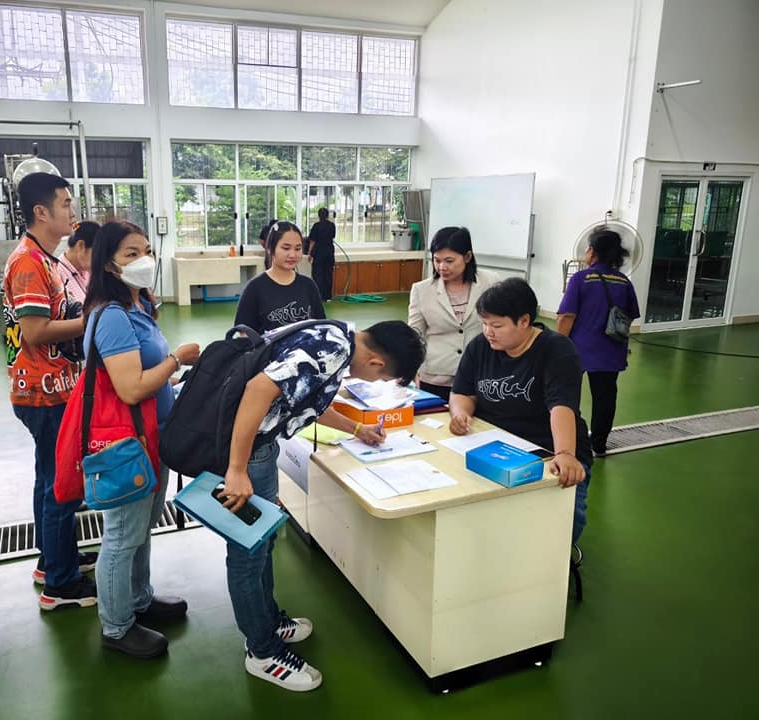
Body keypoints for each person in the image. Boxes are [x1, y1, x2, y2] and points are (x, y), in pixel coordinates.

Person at [218, 320, 426, 691]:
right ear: (376, 362)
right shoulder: (330, 350)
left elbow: (305, 398)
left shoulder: (336, 336)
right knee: (248, 555)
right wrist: (236, 468)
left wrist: (357, 429)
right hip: (248, 453)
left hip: (257, 450)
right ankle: (262, 652)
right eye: (381, 379)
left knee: (262, 543)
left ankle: (267, 622)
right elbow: (257, 390)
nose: (374, 382)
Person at [82, 221, 201, 657]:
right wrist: (176, 360)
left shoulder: (139, 305)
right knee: (122, 535)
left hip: (152, 436)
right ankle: (116, 627)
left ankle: (138, 599)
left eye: (146, 250)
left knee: (141, 528)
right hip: (126, 443)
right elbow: (131, 388)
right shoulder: (112, 316)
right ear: (108, 264)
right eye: (131, 254)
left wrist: (175, 378)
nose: (144, 260)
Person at [2, 172, 96, 608]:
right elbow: (36, 331)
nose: (72, 211)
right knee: (62, 486)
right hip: (43, 393)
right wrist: (90, 320)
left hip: (54, 386)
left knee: (48, 479)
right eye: (65, 203)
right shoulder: (28, 263)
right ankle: (61, 584)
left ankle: (53, 559)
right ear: (41, 212)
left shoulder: (46, 259)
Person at [448, 278, 591, 544]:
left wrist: (565, 454)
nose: (488, 332)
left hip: (545, 449)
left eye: (497, 325)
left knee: (562, 522)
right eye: (484, 323)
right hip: (493, 445)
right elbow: (462, 392)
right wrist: (460, 414)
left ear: (524, 321)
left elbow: (561, 406)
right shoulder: (480, 346)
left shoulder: (557, 350)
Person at [556, 228, 641, 456]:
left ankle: (569, 439)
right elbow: (629, 316)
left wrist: (557, 345)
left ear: (592, 251)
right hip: (611, 350)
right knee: (605, 397)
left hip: (578, 349)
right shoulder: (624, 282)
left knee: (566, 394)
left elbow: (566, 316)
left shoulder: (581, 279)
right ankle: (599, 444)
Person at [408, 226, 499, 401]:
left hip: (481, 374)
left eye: (449, 261)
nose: (442, 267)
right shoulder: (421, 290)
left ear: (467, 257)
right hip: (436, 376)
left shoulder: (490, 282)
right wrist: (410, 368)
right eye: (437, 260)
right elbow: (415, 334)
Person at [235, 221, 324, 333]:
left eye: (297, 249)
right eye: (286, 248)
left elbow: (321, 326)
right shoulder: (254, 288)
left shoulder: (309, 285)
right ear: (270, 249)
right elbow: (244, 334)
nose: (292, 255)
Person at [56, 220, 100, 306]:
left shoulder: (88, 271)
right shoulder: (58, 275)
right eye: (98, 253)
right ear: (81, 246)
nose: (100, 259)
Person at [307, 208, 336, 301]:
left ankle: (319, 296)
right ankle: (328, 297)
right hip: (329, 252)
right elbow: (332, 237)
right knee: (328, 274)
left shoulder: (316, 226)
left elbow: (312, 241)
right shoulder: (332, 225)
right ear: (327, 215)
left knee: (318, 274)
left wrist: (309, 253)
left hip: (318, 252)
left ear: (319, 215)